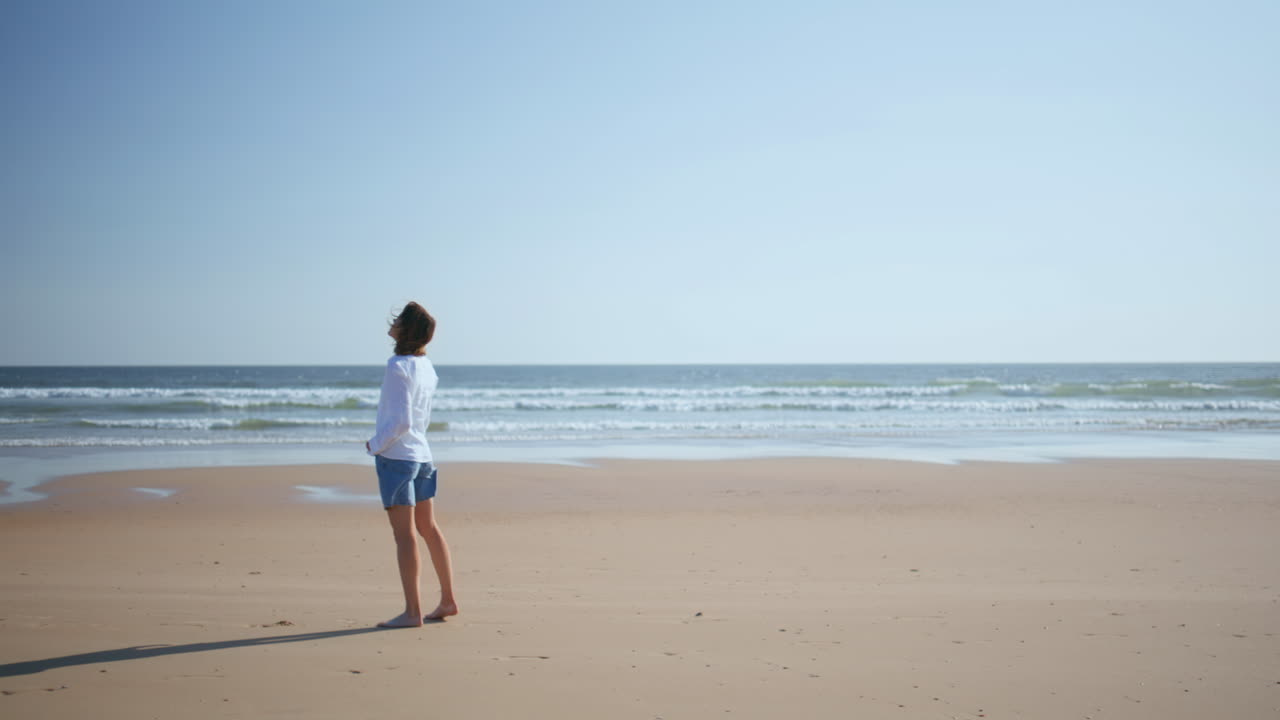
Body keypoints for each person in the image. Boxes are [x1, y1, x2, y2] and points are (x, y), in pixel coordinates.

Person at [365, 302, 457, 627]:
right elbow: (420, 419)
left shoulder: (397, 365)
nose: (392, 323)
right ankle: (447, 600)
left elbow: (401, 421)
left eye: (398, 320)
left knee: (405, 536)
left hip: (398, 458)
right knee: (428, 528)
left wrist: (375, 445)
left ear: (407, 330)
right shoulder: (427, 367)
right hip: (422, 454)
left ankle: (412, 612)